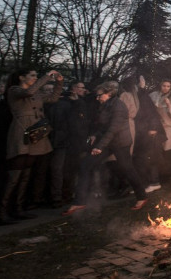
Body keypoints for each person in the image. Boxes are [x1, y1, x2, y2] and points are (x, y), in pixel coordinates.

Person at [63, 81, 147, 215]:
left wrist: (99, 147)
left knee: (127, 169)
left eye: (100, 95)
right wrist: (95, 135)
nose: (97, 98)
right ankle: (79, 202)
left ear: (109, 93)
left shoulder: (119, 107)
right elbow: (102, 126)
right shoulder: (104, 104)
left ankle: (141, 197)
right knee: (86, 164)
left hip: (120, 143)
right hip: (107, 142)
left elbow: (113, 130)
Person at [0, 68, 63, 224]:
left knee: (26, 174)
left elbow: (53, 98)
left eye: (36, 75)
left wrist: (59, 83)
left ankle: (19, 209)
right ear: (22, 77)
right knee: (15, 176)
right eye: (32, 75)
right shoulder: (14, 90)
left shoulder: (36, 92)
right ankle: (1, 213)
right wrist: (47, 76)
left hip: (36, 133)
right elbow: (27, 92)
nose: (35, 78)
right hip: (21, 132)